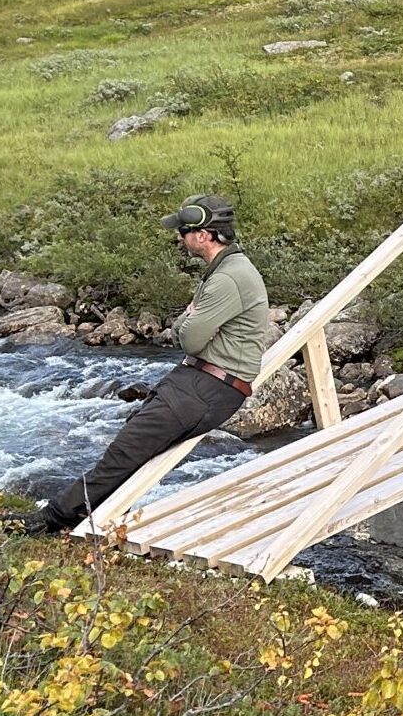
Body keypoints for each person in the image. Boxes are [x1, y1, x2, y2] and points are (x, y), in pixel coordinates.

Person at [26, 194, 270, 534]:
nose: (179, 238)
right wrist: (189, 319)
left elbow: (188, 338)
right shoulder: (229, 269)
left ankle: (51, 521)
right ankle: (96, 516)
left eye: (184, 231)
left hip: (208, 386)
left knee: (124, 452)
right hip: (202, 380)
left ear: (204, 235)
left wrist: (186, 318)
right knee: (134, 436)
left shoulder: (227, 278)